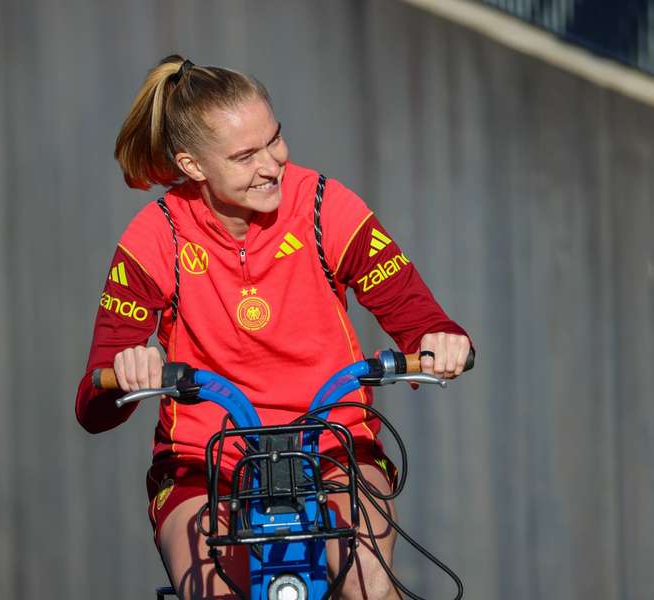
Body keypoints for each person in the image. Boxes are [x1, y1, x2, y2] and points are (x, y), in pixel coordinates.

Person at [75, 55, 472, 600]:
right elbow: (92, 404)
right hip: (206, 464)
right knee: (214, 590)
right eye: (245, 156)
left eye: (275, 140)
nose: (271, 165)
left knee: (369, 583)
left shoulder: (325, 207)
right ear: (193, 166)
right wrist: (125, 371)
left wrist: (440, 341)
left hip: (334, 449)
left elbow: (418, 318)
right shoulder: (155, 236)